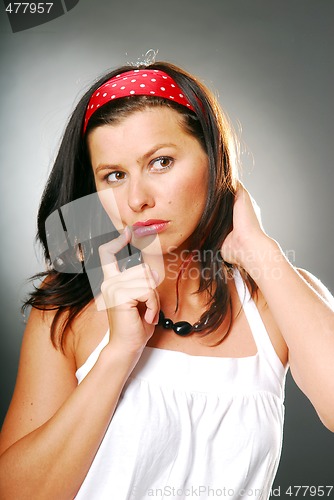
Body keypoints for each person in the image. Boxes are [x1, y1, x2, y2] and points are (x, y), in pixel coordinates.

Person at [0, 60, 333, 500]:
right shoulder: (70, 300)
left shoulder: (270, 295)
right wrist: (118, 353)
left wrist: (257, 249)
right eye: (114, 175)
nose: (137, 199)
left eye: (160, 162)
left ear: (215, 162)